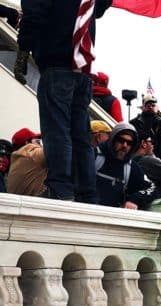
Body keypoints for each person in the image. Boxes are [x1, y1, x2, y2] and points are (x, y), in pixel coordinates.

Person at [17, 0, 112, 201]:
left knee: (56, 130)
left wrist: (23, 51)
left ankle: (60, 188)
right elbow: (101, 7)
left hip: (57, 63)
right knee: (80, 134)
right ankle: (85, 192)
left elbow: (33, 15)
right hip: (83, 68)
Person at [95, 122, 156, 209]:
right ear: (113, 139)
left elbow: (152, 188)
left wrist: (135, 199)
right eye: (121, 140)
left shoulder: (130, 167)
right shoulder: (94, 156)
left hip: (111, 217)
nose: (124, 145)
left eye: (129, 143)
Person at [130, 95, 161, 164]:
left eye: (153, 105)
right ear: (143, 107)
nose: (150, 107)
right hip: (142, 162)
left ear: (157, 108)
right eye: (148, 105)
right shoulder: (134, 123)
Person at [6, 129, 46, 196]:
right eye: (38, 142)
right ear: (27, 143)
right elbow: (55, 151)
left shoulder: (16, 160)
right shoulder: (29, 153)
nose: (41, 145)